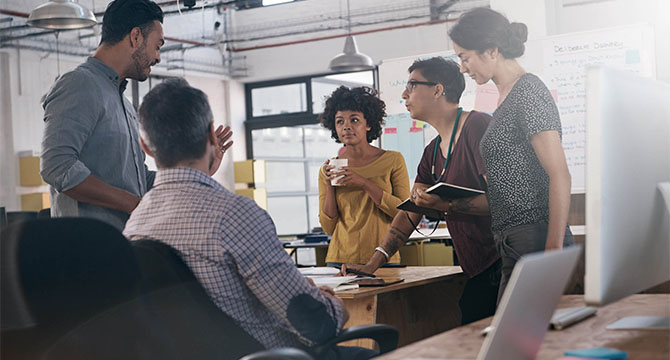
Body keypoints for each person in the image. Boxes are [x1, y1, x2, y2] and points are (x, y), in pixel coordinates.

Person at [124, 79, 377, 360]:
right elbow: (318, 325)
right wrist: (332, 303)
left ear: (145, 147)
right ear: (211, 135)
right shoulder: (234, 215)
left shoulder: (135, 226)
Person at [39, 0, 232, 231]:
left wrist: (199, 168)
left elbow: (141, 182)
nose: (158, 57)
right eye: (158, 46)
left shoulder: (125, 104)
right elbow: (57, 166)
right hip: (88, 251)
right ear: (136, 37)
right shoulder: (79, 84)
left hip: (126, 245)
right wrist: (136, 205)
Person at [341, 58, 500, 325]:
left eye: (412, 85)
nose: (405, 94)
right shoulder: (432, 151)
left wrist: (446, 205)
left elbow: (503, 199)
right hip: (476, 268)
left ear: (438, 90)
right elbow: (411, 211)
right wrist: (373, 263)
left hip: (502, 262)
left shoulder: (478, 126)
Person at [449, 7, 574, 300]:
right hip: (513, 239)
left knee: (521, 340)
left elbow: (560, 174)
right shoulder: (506, 97)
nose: (463, 68)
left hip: (535, 236)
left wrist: (552, 252)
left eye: (464, 57)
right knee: (519, 339)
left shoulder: (528, 91)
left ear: (491, 51)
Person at [319, 86, 410, 265]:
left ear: (368, 124)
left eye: (354, 120)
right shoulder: (329, 167)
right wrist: (329, 184)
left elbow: (404, 214)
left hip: (383, 258)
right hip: (340, 259)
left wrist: (363, 183)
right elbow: (328, 227)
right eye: (339, 121)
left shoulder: (393, 160)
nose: (346, 127)